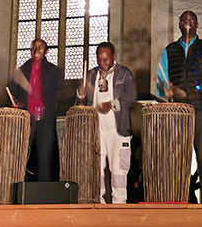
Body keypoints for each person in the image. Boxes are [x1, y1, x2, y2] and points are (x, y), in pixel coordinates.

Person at [156, 10, 202, 204]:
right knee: (179, 156)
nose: (187, 23)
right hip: (178, 111)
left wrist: (199, 88)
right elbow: (162, 81)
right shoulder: (169, 50)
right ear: (179, 24)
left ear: (197, 25)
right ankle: (182, 198)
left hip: (201, 108)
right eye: (184, 20)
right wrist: (166, 91)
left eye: (191, 20)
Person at [76, 41, 137, 203]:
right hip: (97, 131)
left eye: (106, 59)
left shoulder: (124, 74)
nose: (103, 62)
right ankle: (98, 204)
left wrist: (112, 104)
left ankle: (119, 204)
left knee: (118, 170)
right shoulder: (90, 75)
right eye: (99, 59)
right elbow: (79, 104)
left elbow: (132, 97)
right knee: (97, 171)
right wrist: (81, 95)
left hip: (119, 131)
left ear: (113, 56)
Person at [9, 38, 64, 181]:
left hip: (45, 120)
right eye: (33, 47)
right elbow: (12, 94)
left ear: (46, 51)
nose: (36, 50)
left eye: (40, 47)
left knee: (44, 159)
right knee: (24, 158)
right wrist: (16, 104)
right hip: (27, 120)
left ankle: (43, 195)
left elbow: (61, 93)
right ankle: (24, 193)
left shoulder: (54, 71)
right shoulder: (22, 71)